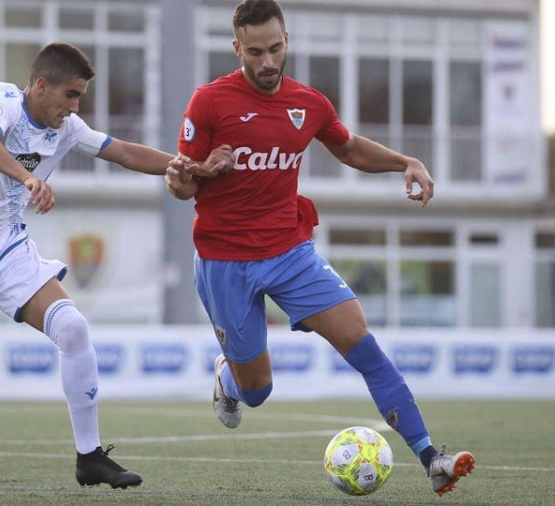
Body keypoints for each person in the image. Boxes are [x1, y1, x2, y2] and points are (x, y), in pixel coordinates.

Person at [165, 0, 475, 497]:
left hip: (290, 251)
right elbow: (181, 186)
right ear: (237, 48)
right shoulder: (209, 103)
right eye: (255, 52)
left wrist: (405, 162)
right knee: (259, 391)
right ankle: (230, 377)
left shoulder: (308, 103)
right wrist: (192, 174)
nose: (267, 62)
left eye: (275, 48)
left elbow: (348, 148)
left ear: (287, 40)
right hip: (223, 260)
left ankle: (431, 457)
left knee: (364, 346)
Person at [0, 42, 224, 489]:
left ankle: (89, 457)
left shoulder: (66, 128)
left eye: (80, 97)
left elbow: (122, 151)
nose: (75, 106)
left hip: (7, 250)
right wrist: (28, 177)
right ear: (41, 86)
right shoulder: (1, 101)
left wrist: (191, 166)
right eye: (71, 94)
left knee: (73, 329)